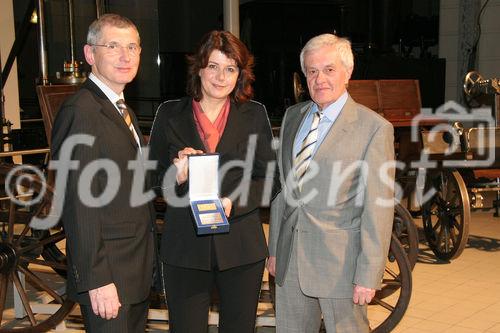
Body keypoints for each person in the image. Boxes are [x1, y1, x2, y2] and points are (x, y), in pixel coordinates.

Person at [149, 30, 278, 333]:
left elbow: (269, 179)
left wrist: (235, 202)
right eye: (213, 67)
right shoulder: (169, 114)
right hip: (185, 249)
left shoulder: (254, 114)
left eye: (230, 69)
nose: (221, 77)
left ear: (240, 74)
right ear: (199, 69)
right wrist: (176, 174)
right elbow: (151, 181)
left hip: (241, 249)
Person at [267, 33, 395, 332]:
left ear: (348, 72)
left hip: (341, 267)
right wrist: (275, 249)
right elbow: (283, 191)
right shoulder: (292, 117)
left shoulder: (374, 129)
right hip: (290, 260)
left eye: (329, 69)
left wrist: (368, 273)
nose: (319, 79)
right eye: (312, 71)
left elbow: (379, 208)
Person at [50, 14, 155, 332]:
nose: (126, 56)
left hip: (133, 270)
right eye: (113, 46)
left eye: (133, 47)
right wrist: (97, 281)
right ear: (89, 54)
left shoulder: (122, 110)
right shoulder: (81, 112)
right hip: (108, 276)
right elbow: (78, 205)